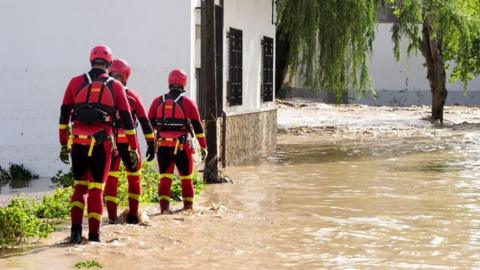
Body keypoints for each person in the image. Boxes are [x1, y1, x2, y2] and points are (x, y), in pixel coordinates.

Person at [59, 45, 139, 243]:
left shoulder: (75, 82)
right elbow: (128, 121)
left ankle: (76, 233)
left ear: (91, 61)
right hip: (102, 143)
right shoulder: (116, 86)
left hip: (77, 142)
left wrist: (63, 144)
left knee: (79, 188)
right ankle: (94, 238)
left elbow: (63, 117)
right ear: (109, 64)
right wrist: (132, 147)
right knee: (96, 189)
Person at [104, 58, 156, 224]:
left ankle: (112, 219)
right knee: (134, 179)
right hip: (128, 141)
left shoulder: (104, 93)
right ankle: (134, 216)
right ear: (126, 75)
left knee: (111, 180)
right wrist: (151, 143)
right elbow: (144, 120)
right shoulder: (132, 95)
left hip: (110, 143)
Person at [148, 69, 207, 213]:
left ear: (170, 82)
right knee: (186, 179)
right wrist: (204, 146)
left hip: (162, 146)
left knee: (165, 178)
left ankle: (163, 211)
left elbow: (149, 124)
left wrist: (151, 143)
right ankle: (188, 209)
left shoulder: (157, 101)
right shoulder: (188, 103)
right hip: (182, 147)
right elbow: (198, 127)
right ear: (184, 83)